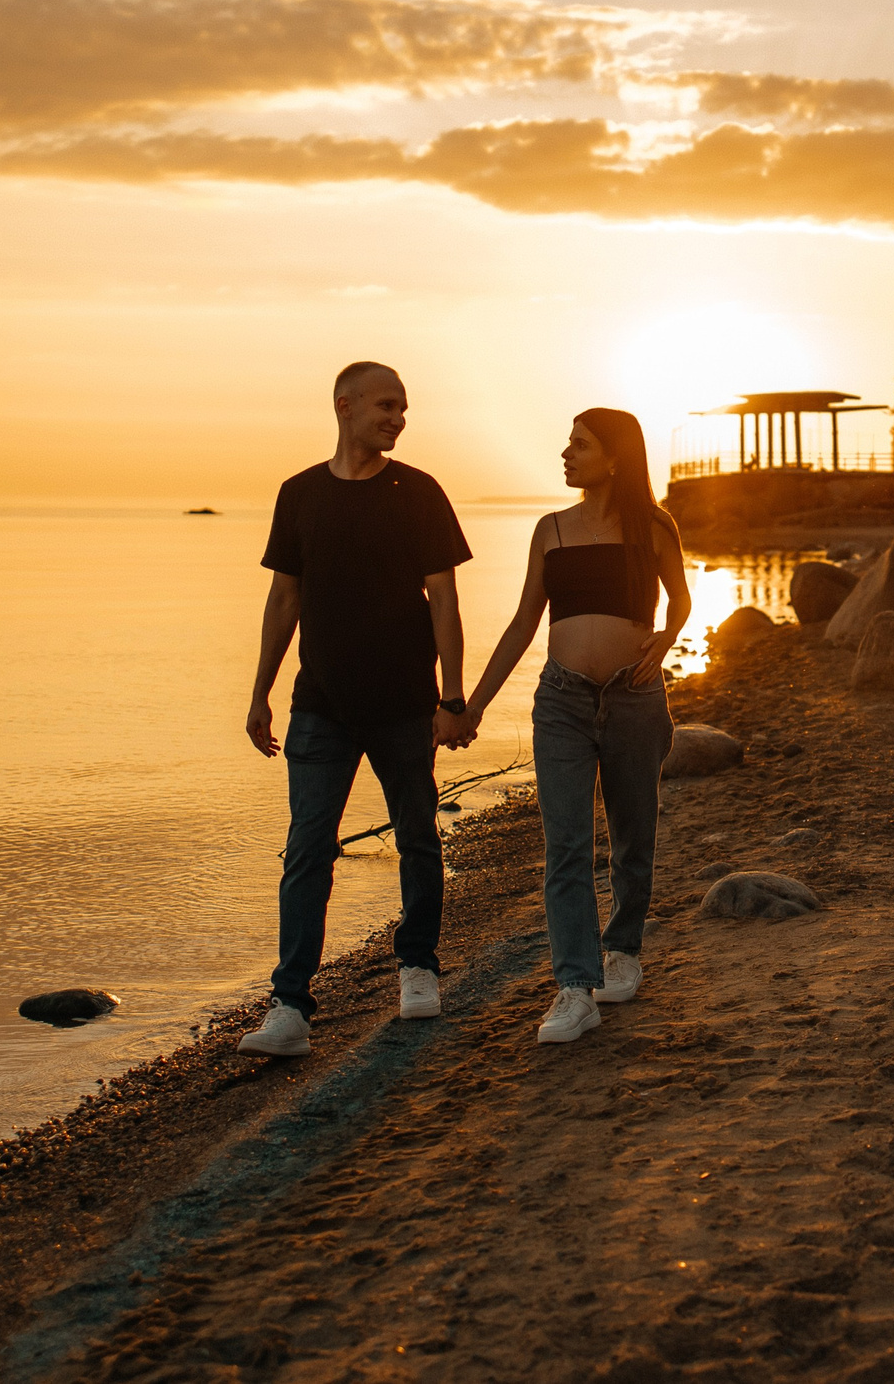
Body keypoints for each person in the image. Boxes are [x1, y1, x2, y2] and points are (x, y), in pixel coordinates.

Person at [239, 361, 474, 1058]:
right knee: (308, 849)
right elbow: (284, 598)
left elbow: (446, 601)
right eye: (385, 405)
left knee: (417, 836)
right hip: (320, 707)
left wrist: (452, 698)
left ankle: (418, 967)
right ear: (344, 406)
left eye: (402, 407)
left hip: (405, 704)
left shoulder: (420, 492)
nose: (397, 418)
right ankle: (289, 1007)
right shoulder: (301, 493)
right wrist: (260, 691)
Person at [459, 407, 688, 1044]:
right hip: (560, 700)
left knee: (631, 835)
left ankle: (623, 950)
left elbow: (682, 597)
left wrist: (666, 639)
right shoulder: (550, 530)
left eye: (579, 444)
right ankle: (573, 987)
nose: (566, 453)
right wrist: (474, 705)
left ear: (615, 457)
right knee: (564, 845)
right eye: (567, 442)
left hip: (633, 700)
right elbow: (523, 622)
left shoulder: (654, 529)